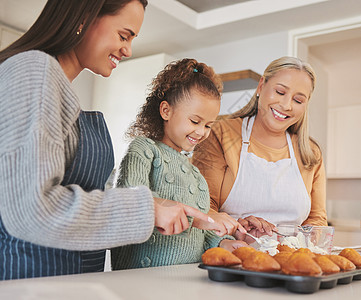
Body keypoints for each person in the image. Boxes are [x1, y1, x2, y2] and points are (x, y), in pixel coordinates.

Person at [0, 0, 222, 281]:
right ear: (84, 17)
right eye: (123, 35)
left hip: (68, 278)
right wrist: (148, 210)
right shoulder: (34, 71)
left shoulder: (54, 85)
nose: (128, 49)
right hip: (29, 280)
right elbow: (31, 208)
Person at [111, 58, 247, 270]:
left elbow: (201, 236)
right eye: (195, 121)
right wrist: (205, 218)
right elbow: (131, 205)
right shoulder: (144, 150)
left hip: (186, 280)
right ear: (166, 111)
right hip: (141, 279)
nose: (201, 132)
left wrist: (223, 243)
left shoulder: (197, 176)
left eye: (208, 125)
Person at [192, 56, 327, 242]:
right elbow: (204, 208)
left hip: (291, 260)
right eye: (280, 92)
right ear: (261, 86)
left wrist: (302, 244)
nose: (286, 105)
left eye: (298, 100)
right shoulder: (221, 134)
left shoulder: (310, 152)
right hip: (233, 256)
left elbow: (317, 220)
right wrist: (239, 231)